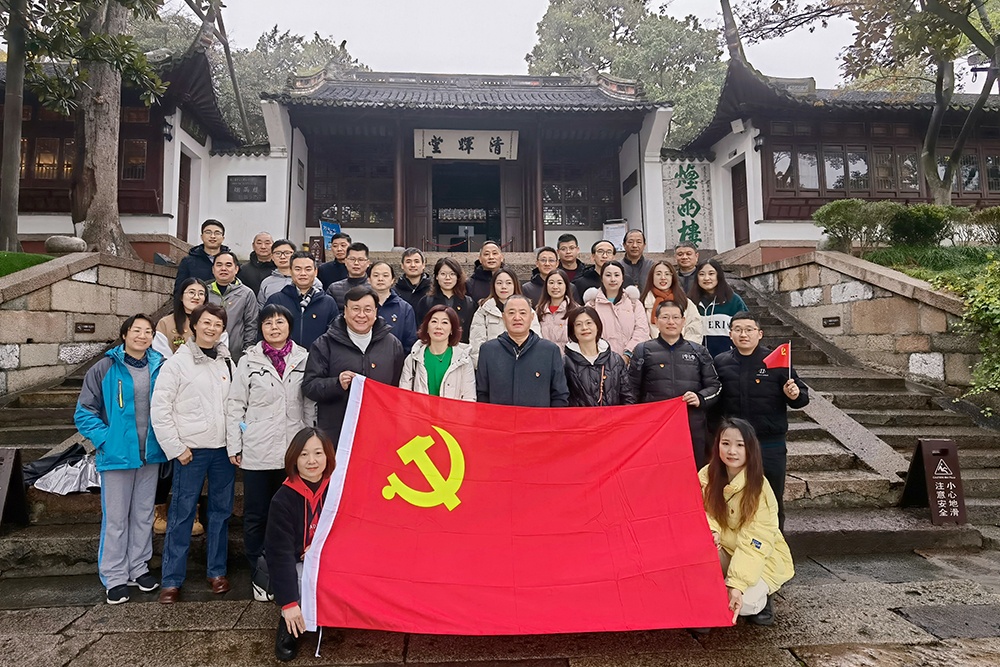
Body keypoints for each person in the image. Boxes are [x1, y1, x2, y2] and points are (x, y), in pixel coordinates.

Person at [226, 303, 317, 602]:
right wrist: (235, 443)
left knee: (291, 515)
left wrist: (309, 444)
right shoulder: (249, 361)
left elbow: (308, 405)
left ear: (289, 326)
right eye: (268, 323)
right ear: (261, 328)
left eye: (280, 322)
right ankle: (259, 571)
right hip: (258, 450)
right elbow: (236, 405)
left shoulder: (303, 358)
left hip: (292, 452)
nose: (274, 327)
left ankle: (286, 569)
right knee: (256, 515)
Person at [75, 314, 166, 604]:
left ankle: (138, 568)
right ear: (124, 334)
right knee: (116, 518)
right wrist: (107, 439)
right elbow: (84, 412)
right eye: (136, 330)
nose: (142, 335)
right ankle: (114, 576)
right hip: (117, 455)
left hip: (150, 454)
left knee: (143, 514)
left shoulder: (160, 366)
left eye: (148, 331)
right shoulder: (105, 367)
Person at [151, 303, 235, 603]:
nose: (212, 329)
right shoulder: (177, 363)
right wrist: (176, 447)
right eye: (207, 323)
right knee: (181, 513)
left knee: (221, 512)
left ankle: (217, 571)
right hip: (191, 451)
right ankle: (172, 579)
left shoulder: (227, 362)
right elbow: (160, 408)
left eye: (218, 325)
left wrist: (235, 444)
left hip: (223, 451)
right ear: (194, 325)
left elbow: (236, 406)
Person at [713, 311, 809, 531]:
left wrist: (794, 394)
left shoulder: (777, 361)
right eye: (738, 330)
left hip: (769, 444)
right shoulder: (721, 362)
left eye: (749, 329)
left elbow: (801, 398)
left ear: (760, 333)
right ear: (730, 334)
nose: (743, 334)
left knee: (772, 499)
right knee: (733, 498)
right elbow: (715, 403)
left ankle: (775, 545)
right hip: (735, 445)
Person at [701, 418, 794, 627]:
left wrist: (737, 584)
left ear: (750, 448)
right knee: (697, 547)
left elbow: (755, 541)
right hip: (725, 547)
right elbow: (702, 511)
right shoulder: (707, 475)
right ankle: (713, 596)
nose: (731, 451)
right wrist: (712, 531)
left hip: (760, 556)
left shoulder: (760, 489)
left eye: (740, 445)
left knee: (744, 603)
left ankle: (763, 595)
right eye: (725, 443)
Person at [265, 427, 336, 662]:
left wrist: (320, 548)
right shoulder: (283, 499)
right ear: (294, 459)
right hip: (298, 563)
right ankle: (289, 624)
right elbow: (279, 554)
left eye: (318, 453)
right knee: (300, 575)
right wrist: (288, 603)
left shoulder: (339, 489)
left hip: (332, 557)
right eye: (304, 454)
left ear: (328, 456)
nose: (312, 461)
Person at [303, 286, 406, 439]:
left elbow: (398, 389)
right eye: (355, 309)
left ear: (376, 312)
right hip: (337, 431)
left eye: (367, 309)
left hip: (379, 430)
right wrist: (337, 383)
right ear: (345, 311)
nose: (361, 315)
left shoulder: (392, 344)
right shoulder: (325, 344)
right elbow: (309, 386)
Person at [629, 301, 720, 468]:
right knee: (656, 471)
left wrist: (700, 398)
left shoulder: (698, 351)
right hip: (655, 426)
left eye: (676, 317)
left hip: (691, 425)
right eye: (665, 317)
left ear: (683, 321)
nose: (671, 322)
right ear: (656, 321)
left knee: (691, 470)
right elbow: (631, 389)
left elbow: (715, 386)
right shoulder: (643, 350)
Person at [475, 295, 569, 407]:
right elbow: (482, 394)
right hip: (498, 417)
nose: (517, 317)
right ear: (503, 317)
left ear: (532, 317)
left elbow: (559, 395)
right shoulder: (488, 351)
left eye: (523, 313)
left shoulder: (550, 351)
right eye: (511, 313)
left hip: (538, 418)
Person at [265, 251, 339, 350]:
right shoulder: (276, 300)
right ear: (290, 271)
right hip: (282, 357)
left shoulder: (328, 302)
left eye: (308, 269)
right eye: (297, 269)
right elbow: (265, 331)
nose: (303, 273)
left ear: (315, 272)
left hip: (318, 357)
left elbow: (335, 336)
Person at [399, 305, 476, 401]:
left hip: (451, 411)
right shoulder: (412, 359)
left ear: (452, 329)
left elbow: (469, 398)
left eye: (444, 322)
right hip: (420, 410)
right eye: (434, 321)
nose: (438, 327)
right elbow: (404, 397)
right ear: (427, 327)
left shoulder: (464, 360)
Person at [563, 306, 634, 407]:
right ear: (572, 330)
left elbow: (628, 396)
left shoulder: (615, 360)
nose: (584, 328)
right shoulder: (565, 363)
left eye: (589, 323)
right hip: (580, 417)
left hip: (613, 416)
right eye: (578, 324)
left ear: (597, 326)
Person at [470, 267, 539, 367]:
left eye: (508, 283)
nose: (503, 287)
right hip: (493, 366)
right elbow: (476, 346)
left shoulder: (527, 309)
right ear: (493, 286)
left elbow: (535, 340)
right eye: (499, 283)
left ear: (515, 285)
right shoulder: (484, 311)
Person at [583, 260, 648, 362]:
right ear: (602, 278)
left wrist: (628, 354)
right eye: (608, 275)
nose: (612, 279)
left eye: (617, 275)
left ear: (622, 278)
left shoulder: (634, 303)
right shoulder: (592, 305)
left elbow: (641, 331)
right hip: (600, 361)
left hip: (631, 361)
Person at [688, 259, 748, 358]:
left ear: (718, 276)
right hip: (696, 359)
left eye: (711, 273)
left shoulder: (733, 301)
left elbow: (746, 327)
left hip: (728, 359)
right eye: (702, 274)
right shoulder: (690, 302)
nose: (706, 278)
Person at [208, 251, 259, 363]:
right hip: (208, 354)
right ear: (213, 269)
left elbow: (251, 325)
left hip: (236, 355)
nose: (223, 268)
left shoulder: (246, 293)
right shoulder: (205, 292)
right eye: (219, 265)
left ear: (236, 269)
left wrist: (246, 351)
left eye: (228, 265)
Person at [415, 257, 477, 344]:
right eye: (443, 274)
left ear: (458, 277)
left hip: (460, 349)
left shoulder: (468, 303)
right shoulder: (426, 302)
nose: (448, 278)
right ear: (437, 276)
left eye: (452, 274)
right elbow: (421, 330)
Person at [642, 260, 703, 344]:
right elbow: (641, 331)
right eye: (658, 274)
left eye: (667, 274)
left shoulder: (685, 302)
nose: (663, 277)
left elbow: (695, 328)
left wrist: (684, 347)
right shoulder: (643, 303)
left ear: (673, 277)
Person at [370, 261, 417, 352]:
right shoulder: (362, 306)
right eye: (376, 275)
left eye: (385, 275)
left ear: (392, 280)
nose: (380, 279)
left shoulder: (405, 308)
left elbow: (410, 341)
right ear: (369, 279)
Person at [154, 277, 209, 358]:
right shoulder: (165, 323)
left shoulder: (214, 322)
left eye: (201, 294)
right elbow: (160, 355)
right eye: (191, 292)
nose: (196, 297)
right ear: (181, 296)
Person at [259, 240, 322, 305]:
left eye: (287, 253)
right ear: (272, 257)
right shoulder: (266, 282)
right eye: (277, 253)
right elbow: (261, 307)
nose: (282, 257)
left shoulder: (312, 281)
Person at [174, 219, 228, 294]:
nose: (212, 236)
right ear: (202, 237)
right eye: (208, 232)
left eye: (217, 233)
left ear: (223, 238)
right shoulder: (188, 262)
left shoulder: (230, 262)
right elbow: (179, 290)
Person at [535, 269, 577, 354]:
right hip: (544, 357)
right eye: (551, 283)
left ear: (566, 286)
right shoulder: (539, 310)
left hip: (568, 359)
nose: (555, 287)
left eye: (559, 283)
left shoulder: (575, 310)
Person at [326, 242, 371, 310]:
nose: (356, 263)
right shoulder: (334, 289)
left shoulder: (375, 288)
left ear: (368, 263)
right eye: (352, 259)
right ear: (346, 261)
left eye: (361, 260)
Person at [467, 240, 504, 304]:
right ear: (480, 259)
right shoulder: (470, 284)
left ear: (501, 258)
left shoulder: (511, 281)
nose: (491, 257)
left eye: (495, 253)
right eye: (486, 254)